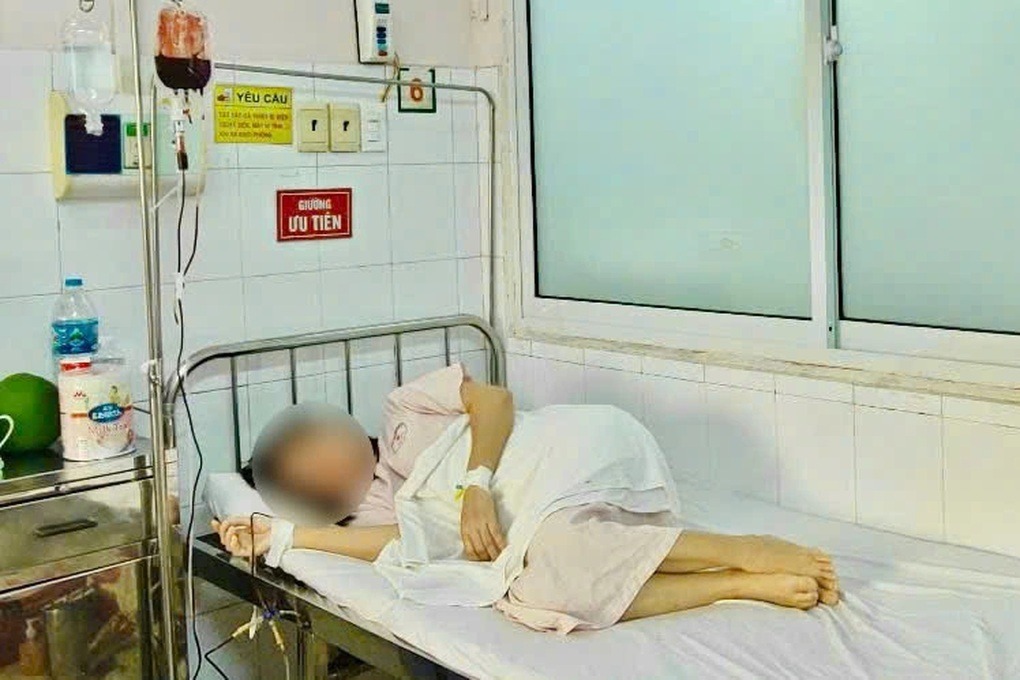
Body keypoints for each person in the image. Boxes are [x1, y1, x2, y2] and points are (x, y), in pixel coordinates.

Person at [213, 364, 839, 633]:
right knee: (538, 592)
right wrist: (283, 536)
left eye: (318, 448)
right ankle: (733, 582)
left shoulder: (404, 407)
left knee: (554, 556)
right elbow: (407, 543)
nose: (331, 466)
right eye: (315, 478)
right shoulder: (374, 512)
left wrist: (476, 486)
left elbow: (496, 402)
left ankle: (742, 549)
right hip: (555, 522)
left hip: (566, 451)